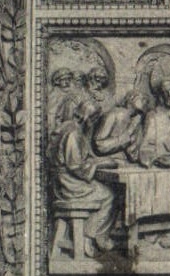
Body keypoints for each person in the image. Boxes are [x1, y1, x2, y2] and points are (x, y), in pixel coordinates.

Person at [50, 95, 119, 258]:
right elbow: (76, 166)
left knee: (106, 191)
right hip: (69, 183)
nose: (94, 122)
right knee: (109, 195)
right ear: (87, 117)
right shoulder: (73, 133)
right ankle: (90, 236)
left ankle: (95, 235)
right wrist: (100, 164)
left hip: (67, 181)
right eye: (94, 118)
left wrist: (101, 160)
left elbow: (83, 157)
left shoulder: (69, 127)